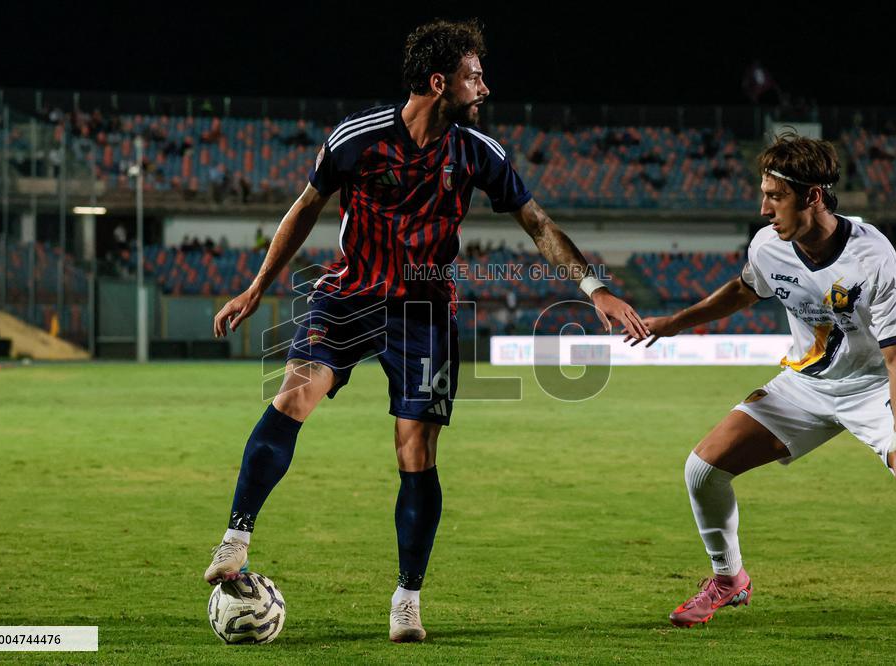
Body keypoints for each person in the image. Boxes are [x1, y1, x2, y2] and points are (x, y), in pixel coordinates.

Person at [204, 18, 649, 643]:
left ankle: (407, 599)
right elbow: (304, 209)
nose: (485, 87)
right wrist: (257, 286)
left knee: (416, 453)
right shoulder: (357, 139)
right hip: (351, 293)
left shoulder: (476, 152)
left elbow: (537, 222)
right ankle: (236, 537)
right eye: (475, 75)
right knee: (292, 396)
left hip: (426, 315)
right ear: (440, 82)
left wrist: (593, 287)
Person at [629, 132, 896, 628]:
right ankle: (729, 580)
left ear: (811, 196)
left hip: (874, 390)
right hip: (807, 386)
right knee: (702, 469)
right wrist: (675, 322)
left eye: (775, 196)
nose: (764, 207)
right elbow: (743, 290)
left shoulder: (873, 255)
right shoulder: (769, 246)